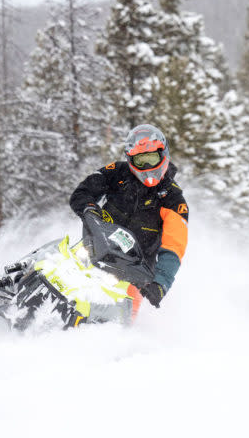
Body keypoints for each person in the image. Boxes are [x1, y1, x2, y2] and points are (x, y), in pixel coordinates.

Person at [69, 123, 189, 309]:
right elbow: (83, 192)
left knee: (120, 314)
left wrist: (161, 283)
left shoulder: (174, 200)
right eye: (142, 161)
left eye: (152, 158)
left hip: (134, 273)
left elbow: (174, 246)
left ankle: (119, 336)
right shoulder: (117, 172)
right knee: (57, 269)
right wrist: (90, 210)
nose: (148, 166)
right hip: (95, 249)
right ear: (131, 160)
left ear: (163, 155)